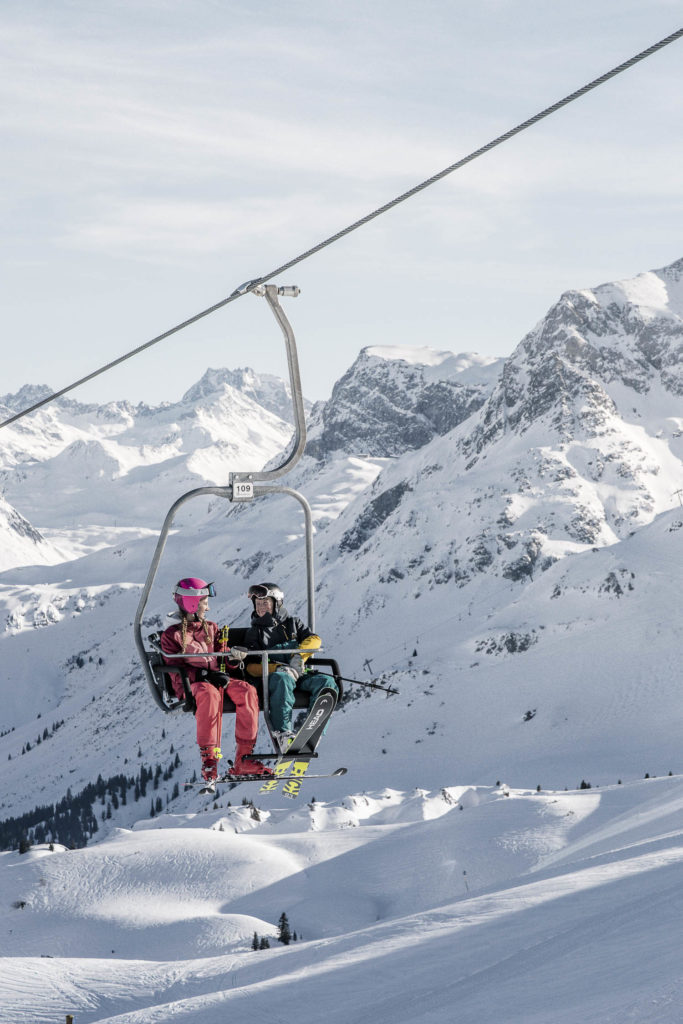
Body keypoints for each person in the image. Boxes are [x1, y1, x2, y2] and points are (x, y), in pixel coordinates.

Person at [160, 577, 272, 788]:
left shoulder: (211, 628)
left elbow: (222, 657)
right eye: (204, 603)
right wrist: (204, 675)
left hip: (216, 680)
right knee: (209, 694)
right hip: (192, 685)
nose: (208, 608)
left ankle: (244, 759)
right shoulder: (172, 635)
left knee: (247, 691)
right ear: (192, 604)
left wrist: (232, 660)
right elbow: (176, 669)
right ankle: (209, 760)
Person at [229, 581, 338, 748]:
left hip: (298, 673)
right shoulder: (254, 632)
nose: (261, 607)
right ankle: (283, 734)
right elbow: (251, 667)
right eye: (258, 604)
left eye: (265, 602)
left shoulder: (293, 624)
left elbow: (314, 639)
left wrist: (299, 657)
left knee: (327, 682)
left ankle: (314, 730)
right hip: (273, 678)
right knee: (283, 679)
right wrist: (278, 668)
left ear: (277, 603)